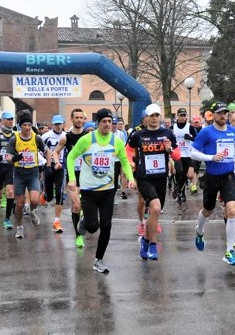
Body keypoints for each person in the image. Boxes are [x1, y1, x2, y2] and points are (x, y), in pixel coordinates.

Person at [67, 108, 136, 273]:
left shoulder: (116, 142)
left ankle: (99, 260)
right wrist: (71, 178)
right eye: (104, 121)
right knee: (92, 227)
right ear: (98, 123)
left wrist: (131, 178)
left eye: (109, 122)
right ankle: (84, 222)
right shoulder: (87, 140)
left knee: (106, 225)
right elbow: (71, 157)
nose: (107, 124)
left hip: (107, 190)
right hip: (89, 191)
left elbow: (125, 162)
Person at [190, 102, 235, 265]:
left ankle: (229, 251)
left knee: (232, 209)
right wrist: (211, 157)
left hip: (228, 176)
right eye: (219, 113)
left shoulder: (233, 131)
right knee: (208, 210)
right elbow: (193, 153)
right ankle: (199, 231)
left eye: (225, 113)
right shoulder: (206, 132)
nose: (223, 116)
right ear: (213, 115)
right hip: (212, 176)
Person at [128, 103, 179, 260]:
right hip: (144, 177)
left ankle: (144, 240)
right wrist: (131, 163)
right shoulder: (138, 135)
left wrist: (169, 150)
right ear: (146, 118)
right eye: (152, 116)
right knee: (155, 208)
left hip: (161, 177)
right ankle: (152, 245)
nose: (155, 119)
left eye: (157, 115)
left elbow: (177, 155)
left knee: (155, 212)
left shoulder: (168, 133)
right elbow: (127, 150)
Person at [7, 110, 51, 240]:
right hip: (19, 174)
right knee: (20, 204)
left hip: (33, 173)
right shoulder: (14, 139)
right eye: (24, 125)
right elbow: (8, 157)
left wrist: (48, 166)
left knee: (34, 200)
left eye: (29, 125)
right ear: (20, 126)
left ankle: (32, 211)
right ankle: (19, 227)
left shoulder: (36, 138)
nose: (27, 128)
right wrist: (15, 158)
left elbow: (48, 152)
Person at [53, 108, 88, 247]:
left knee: (87, 207)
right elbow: (55, 152)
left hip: (88, 177)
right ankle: (78, 236)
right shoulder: (65, 137)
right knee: (76, 205)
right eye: (77, 117)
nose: (79, 120)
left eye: (81, 117)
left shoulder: (88, 136)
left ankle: (85, 218)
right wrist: (57, 162)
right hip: (72, 177)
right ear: (72, 119)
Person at [42, 114, 66, 233]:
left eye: (60, 124)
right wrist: (44, 165)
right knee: (49, 196)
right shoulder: (45, 136)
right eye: (56, 124)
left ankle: (57, 221)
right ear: (52, 125)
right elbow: (38, 151)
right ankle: (44, 195)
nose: (58, 126)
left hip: (61, 167)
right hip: (48, 167)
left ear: (63, 124)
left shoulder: (66, 136)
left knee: (60, 193)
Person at [171, 107, 198, 203]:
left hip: (188, 154)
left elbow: (197, 139)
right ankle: (180, 191)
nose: (183, 117)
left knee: (186, 175)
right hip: (177, 154)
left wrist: (190, 138)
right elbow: (168, 138)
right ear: (177, 116)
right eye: (181, 115)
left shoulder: (190, 127)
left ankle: (179, 190)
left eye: (184, 115)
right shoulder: (172, 127)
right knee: (180, 172)